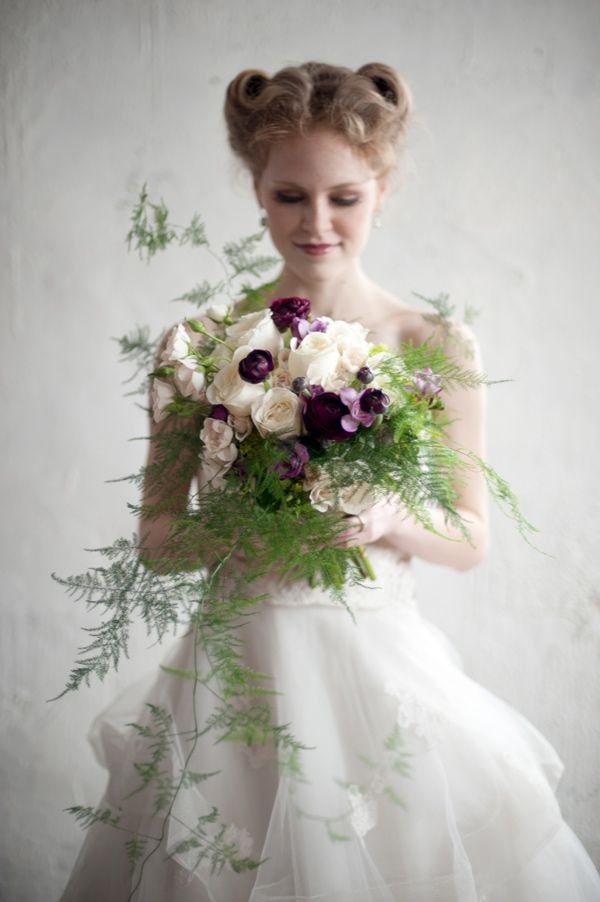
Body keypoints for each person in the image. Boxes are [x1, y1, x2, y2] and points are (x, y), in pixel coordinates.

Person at [60, 62, 600, 902]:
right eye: (289, 196)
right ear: (257, 189)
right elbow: (159, 540)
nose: (316, 222)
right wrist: (245, 527)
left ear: (381, 189)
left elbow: (469, 538)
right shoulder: (198, 344)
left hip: (378, 673)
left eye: (344, 197)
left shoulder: (436, 344)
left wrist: (385, 516)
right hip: (237, 678)